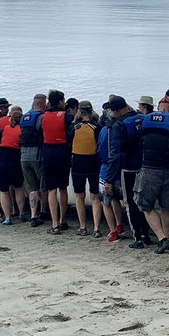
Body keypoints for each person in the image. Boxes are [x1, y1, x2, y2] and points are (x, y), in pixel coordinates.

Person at [135, 102, 169, 253]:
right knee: (167, 207)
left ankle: (162, 238)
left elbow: (138, 140)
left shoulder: (145, 120)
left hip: (150, 168)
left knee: (145, 206)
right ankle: (167, 239)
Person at [70, 101, 106, 237]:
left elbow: (69, 144)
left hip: (78, 163)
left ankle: (83, 226)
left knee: (80, 196)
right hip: (93, 163)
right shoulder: (97, 127)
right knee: (95, 196)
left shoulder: (74, 127)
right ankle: (97, 228)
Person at [119, 100, 151, 248]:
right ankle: (146, 234)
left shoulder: (121, 124)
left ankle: (137, 237)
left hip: (128, 168)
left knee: (130, 202)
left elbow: (118, 149)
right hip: (143, 165)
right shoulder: (143, 119)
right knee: (143, 201)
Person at [41, 89, 73, 235]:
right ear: (61, 101)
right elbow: (71, 133)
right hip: (63, 154)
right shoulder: (66, 116)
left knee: (51, 190)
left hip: (48, 154)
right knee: (63, 188)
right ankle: (62, 220)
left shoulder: (43, 116)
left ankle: (54, 224)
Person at [97, 98, 126, 242]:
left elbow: (100, 150)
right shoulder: (121, 128)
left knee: (105, 202)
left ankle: (113, 231)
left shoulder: (103, 131)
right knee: (115, 199)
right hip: (120, 169)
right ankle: (120, 225)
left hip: (106, 169)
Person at [18, 93, 48, 227]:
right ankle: (44, 211)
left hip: (24, 156)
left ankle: (33, 215)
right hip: (38, 155)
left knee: (32, 188)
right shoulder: (41, 117)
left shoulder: (24, 117)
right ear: (43, 104)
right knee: (43, 186)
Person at [0, 105, 26, 224]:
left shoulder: (4, 129)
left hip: (1, 159)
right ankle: (22, 213)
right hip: (14, 159)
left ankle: (7, 218)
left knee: (3, 191)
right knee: (18, 188)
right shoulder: (22, 130)